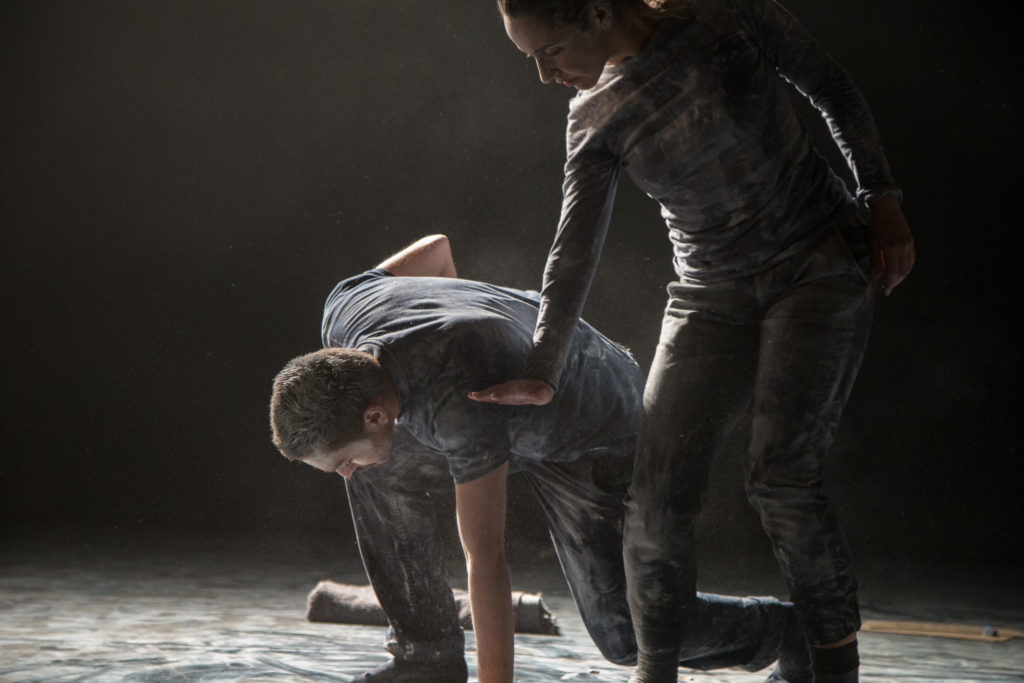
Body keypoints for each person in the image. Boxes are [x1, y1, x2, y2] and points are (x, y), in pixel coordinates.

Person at [471, 1, 917, 682]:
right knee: (653, 500)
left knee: (781, 478)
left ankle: (834, 671)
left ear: (598, 11)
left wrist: (880, 195)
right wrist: (543, 365)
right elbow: (574, 248)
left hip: (818, 259)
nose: (544, 75)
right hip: (710, 295)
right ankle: (656, 673)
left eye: (550, 51)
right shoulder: (594, 114)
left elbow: (831, 85)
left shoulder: (724, 15)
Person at [269, 234, 812, 683]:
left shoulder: (459, 405)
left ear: (373, 415)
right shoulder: (347, 307)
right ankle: (426, 658)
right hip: (497, 403)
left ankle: (791, 632)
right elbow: (437, 248)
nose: (342, 470)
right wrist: (467, 323)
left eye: (339, 458)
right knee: (373, 473)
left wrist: (473, 347)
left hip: (593, 424)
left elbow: (487, 558)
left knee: (624, 634)